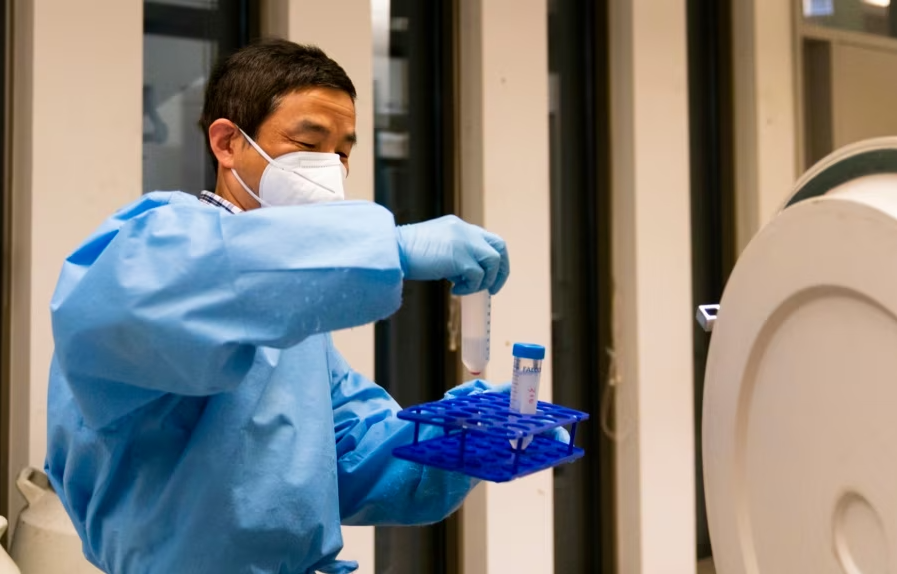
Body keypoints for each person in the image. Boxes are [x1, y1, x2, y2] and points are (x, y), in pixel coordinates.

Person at [45, 39, 564, 574]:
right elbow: (188, 288)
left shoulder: (294, 319)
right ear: (226, 143)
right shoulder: (148, 255)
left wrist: (466, 437)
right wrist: (392, 246)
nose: (332, 168)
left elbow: (347, 452)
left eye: (343, 151)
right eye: (308, 143)